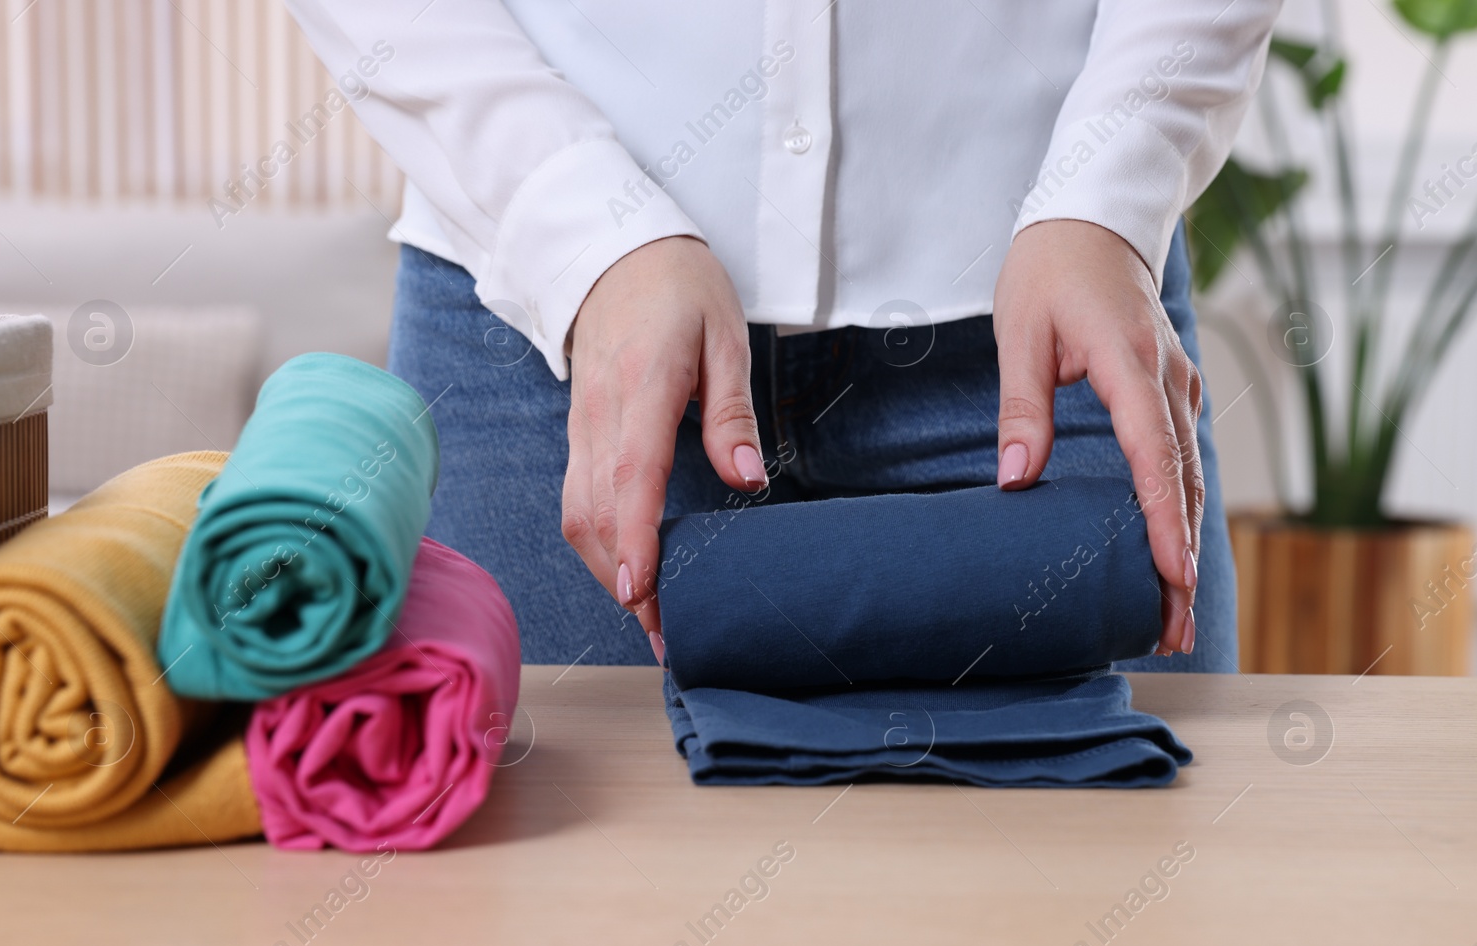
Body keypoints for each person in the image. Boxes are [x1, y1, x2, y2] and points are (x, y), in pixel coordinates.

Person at [285, 0, 1281, 672]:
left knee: (1110, 936)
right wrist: (584, 230)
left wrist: (1109, 185)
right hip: (556, 333)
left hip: (1047, 313)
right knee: (543, 940)